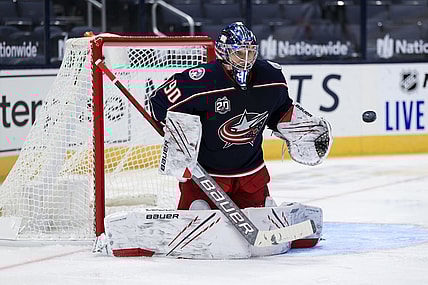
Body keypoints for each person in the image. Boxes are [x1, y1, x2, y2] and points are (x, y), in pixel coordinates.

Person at [150, 22, 332, 212]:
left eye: (250, 52)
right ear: (223, 52)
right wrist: (179, 138)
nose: (246, 59)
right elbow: (157, 102)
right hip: (206, 177)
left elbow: (280, 111)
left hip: (251, 173)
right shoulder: (200, 82)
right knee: (198, 213)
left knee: (265, 214)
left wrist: (297, 128)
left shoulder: (271, 77)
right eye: (239, 53)